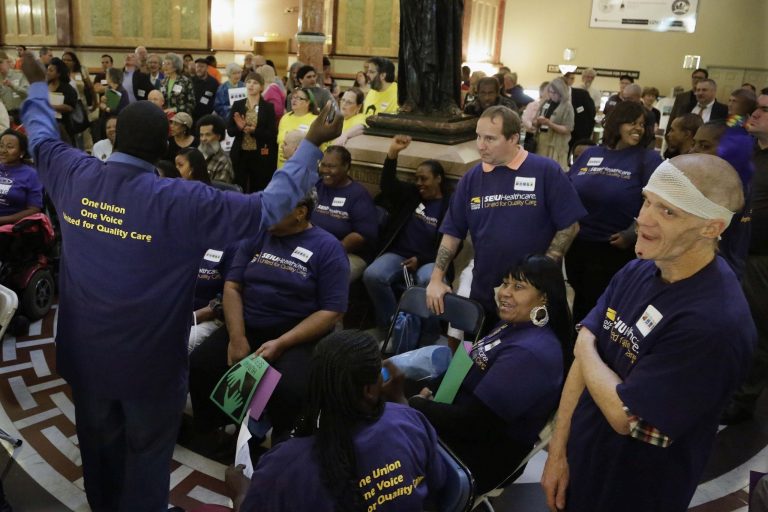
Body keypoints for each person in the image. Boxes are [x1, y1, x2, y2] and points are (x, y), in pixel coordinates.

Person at [17, 51, 343, 512]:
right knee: (147, 459)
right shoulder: (180, 199)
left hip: (85, 355)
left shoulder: (74, 173)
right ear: (166, 145)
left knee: (98, 451)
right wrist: (312, 144)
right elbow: (269, 208)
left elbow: (41, 134)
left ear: (116, 137)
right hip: (150, 365)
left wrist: (35, 86)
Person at [541, 154, 756, 512]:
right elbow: (582, 364)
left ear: (712, 228)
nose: (643, 219)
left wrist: (585, 345)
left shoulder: (715, 323)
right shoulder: (639, 269)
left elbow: (626, 417)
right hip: (583, 463)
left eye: (668, 212)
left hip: (638, 491)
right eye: (647, 200)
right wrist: (558, 451)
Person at [393, 255, 570, 493]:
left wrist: (417, 406)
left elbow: (475, 424)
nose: (505, 293)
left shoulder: (531, 353)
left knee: (382, 423)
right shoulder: (513, 324)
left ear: (544, 298)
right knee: (384, 388)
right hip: (457, 413)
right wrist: (432, 389)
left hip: (478, 453)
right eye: (505, 283)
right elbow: (466, 363)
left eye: (518, 287)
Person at [224, 330, 449, 512]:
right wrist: (400, 402)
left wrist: (241, 493)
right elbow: (437, 482)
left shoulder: (284, 463)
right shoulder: (408, 420)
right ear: (370, 390)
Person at [189, 190, 350, 443]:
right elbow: (232, 287)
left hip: (297, 336)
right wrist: (237, 336)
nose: (265, 214)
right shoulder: (257, 235)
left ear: (301, 212)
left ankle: (278, 448)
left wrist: (282, 343)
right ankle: (214, 431)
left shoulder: (328, 248)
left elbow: (332, 311)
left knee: (287, 389)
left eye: (275, 207)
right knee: (200, 365)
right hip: (248, 324)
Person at [426, 105, 585, 328]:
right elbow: (452, 232)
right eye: (478, 136)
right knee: (475, 356)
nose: (481, 145)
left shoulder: (545, 170)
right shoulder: (472, 178)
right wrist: (436, 278)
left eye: (490, 138)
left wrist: (544, 268)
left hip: (533, 297)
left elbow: (570, 225)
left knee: (521, 357)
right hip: (484, 293)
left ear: (513, 138)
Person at [566, 101, 662, 322]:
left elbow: (657, 203)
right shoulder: (590, 154)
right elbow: (567, 189)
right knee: (581, 300)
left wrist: (634, 231)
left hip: (613, 247)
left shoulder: (648, 160)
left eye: (642, 124)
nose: (638, 128)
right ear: (617, 123)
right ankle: (576, 349)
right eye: (632, 122)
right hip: (578, 243)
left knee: (605, 307)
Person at [363, 135, 451, 331]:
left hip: (430, 260)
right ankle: (394, 328)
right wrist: (393, 153)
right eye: (416, 178)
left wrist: (420, 259)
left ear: (438, 178)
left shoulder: (448, 207)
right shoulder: (412, 195)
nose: (419, 183)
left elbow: (451, 245)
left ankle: (429, 336)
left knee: (429, 281)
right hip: (398, 254)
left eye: (424, 179)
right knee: (372, 275)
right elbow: (387, 186)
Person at [720, 92, 768, 424]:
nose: (755, 115)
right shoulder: (749, 152)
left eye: (764, 110)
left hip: (762, 260)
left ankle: (744, 397)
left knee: (757, 328)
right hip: (733, 253)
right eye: (755, 109)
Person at [313, 145, 378, 281]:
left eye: (331, 166)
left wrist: (330, 251)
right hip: (312, 247)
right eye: (323, 165)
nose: (325, 170)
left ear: (346, 167)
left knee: (325, 276)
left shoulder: (358, 195)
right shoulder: (317, 186)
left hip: (348, 253)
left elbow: (361, 235)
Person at [397, 0, 462, 114]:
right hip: (414, 7)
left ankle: (445, 99)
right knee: (412, 50)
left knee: (445, 49)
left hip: (442, 7)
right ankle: (413, 97)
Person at [227, 72, 277, 192]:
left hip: (260, 154)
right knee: (239, 187)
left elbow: (271, 133)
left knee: (259, 187)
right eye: (248, 82)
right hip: (241, 153)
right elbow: (230, 131)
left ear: (261, 87)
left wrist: (254, 131)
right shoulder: (238, 104)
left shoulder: (268, 107)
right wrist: (240, 128)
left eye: (255, 83)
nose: (251, 85)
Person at [0, 129, 43, 225]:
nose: (3, 151)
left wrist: (4, 220)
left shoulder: (31, 174)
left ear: (22, 152)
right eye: (1, 146)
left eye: (9, 147)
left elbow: (34, 209)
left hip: (11, 229)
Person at [534, 77, 575, 170]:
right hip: (542, 143)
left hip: (557, 146)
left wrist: (549, 124)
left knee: (554, 170)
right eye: (550, 92)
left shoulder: (567, 106)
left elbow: (568, 129)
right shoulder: (546, 103)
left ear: (561, 92)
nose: (552, 95)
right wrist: (537, 122)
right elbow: (535, 121)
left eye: (554, 93)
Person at [277, 87, 318, 168]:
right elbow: (279, 141)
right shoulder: (285, 117)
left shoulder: (315, 120)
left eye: (298, 98)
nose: (294, 100)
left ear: (308, 102)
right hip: (282, 166)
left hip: (303, 167)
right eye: (293, 97)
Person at [46, 57, 78, 144]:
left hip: (63, 127)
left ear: (58, 73)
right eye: (47, 70)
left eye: (51, 71)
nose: (48, 73)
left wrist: (51, 106)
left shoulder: (67, 89)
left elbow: (70, 107)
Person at [666, 68, 708, 133]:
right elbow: (673, 115)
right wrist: (668, 133)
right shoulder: (681, 97)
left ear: (705, 80)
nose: (696, 80)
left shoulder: (707, 98)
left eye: (700, 78)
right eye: (695, 77)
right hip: (680, 133)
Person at [197, 114, 233, 183]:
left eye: (208, 135)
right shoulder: (195, 155)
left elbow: (218, 191)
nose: (203, 139)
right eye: (201, 135)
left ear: (218, 137)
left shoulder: (224, 162)